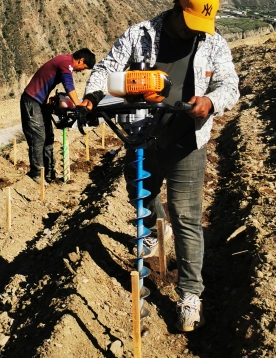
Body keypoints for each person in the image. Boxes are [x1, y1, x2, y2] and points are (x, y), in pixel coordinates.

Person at [81, 0, 239, 332]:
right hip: (142, 136)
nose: (198, 31)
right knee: (139, 194)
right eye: (192, 21)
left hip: (187, 142)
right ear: (178, 7)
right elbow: (106, 68)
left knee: (187, 217)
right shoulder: (139, 35)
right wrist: (92, 96)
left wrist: (211, 101)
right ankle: (154, 227)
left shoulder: (213, 42)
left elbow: (230, 85)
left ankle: (190, 293)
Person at [21, 48, 96, 183]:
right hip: (31, 101)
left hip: (40, 103)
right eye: (83, 68)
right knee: (38, 137)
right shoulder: (66, 63)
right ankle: (37, 174)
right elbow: (68, 85)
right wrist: (78, 104)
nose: (81, 71)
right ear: (81, 60)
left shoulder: (64, 60)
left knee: (48, 136)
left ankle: (49, 173)